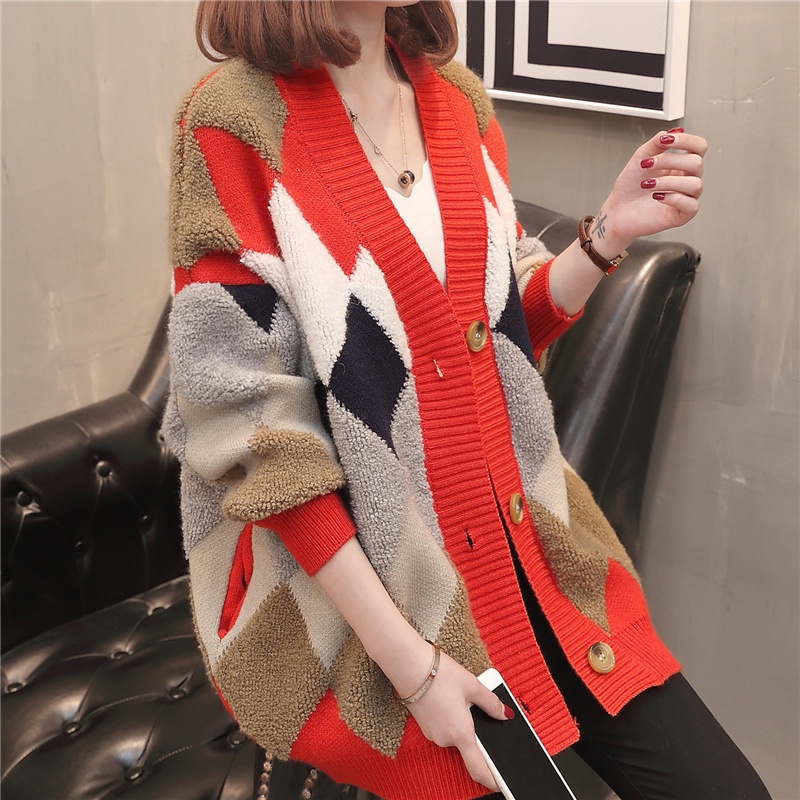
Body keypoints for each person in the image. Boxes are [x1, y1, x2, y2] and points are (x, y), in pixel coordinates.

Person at [162, 2, 770, 799]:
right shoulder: (230, 124)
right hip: (374, 604)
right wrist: (415, 673)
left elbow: (494, 334)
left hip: (533, 550)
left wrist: (607, 236)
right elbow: (250, 430)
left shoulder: (455, 98)